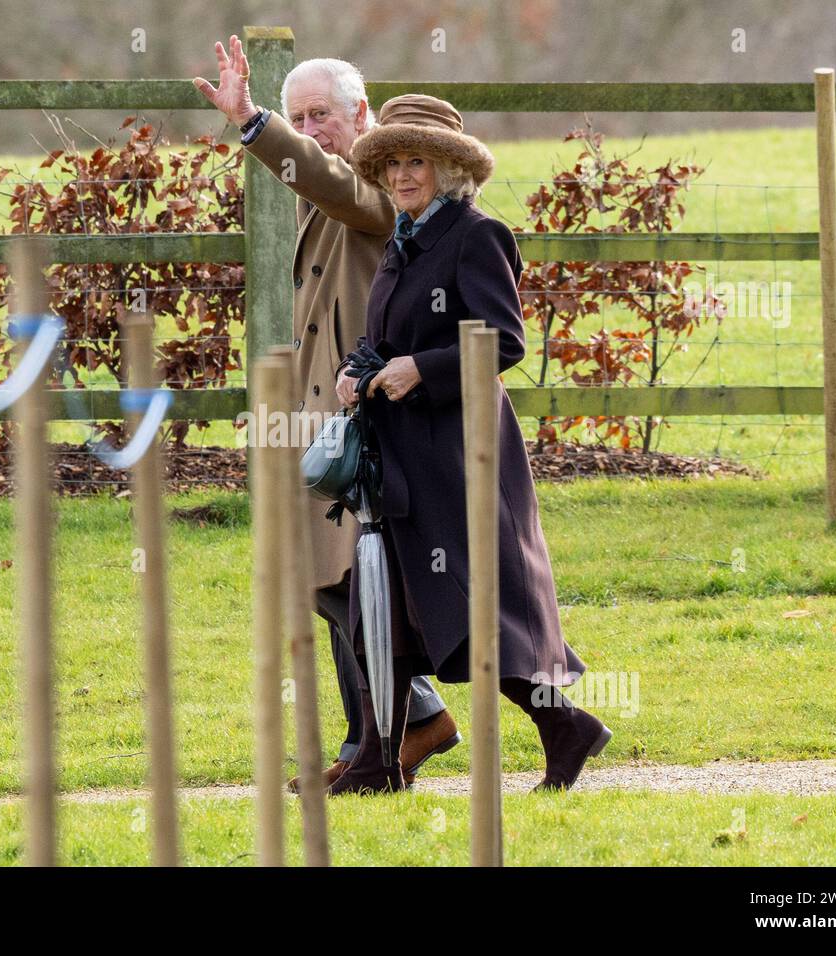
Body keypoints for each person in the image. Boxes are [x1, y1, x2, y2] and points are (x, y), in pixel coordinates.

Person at [327, 93, 614, 796]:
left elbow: (505, 341)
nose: (401, 175)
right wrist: (357, 370)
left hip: (460, 459)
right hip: (397, 457)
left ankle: (566, 728)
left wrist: (419, 369)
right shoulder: (403, 238)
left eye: (416, 160)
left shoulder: (476, 234)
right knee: (379, 607)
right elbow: (385, 336)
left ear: (450, 168)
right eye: (393, 161)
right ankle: (374, 760)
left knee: (472, 616)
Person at [194, 38, 461, 793]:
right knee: (331, 581)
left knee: (350, 580)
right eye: (298, 115)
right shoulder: (333, 192)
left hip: (376, 419)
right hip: (331, 419)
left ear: (362, 117)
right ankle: (406, 723)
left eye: (323, 116)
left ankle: (386, 739)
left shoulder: (379, 189)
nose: (311, 129)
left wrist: (254, 122)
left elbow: (329, 178)